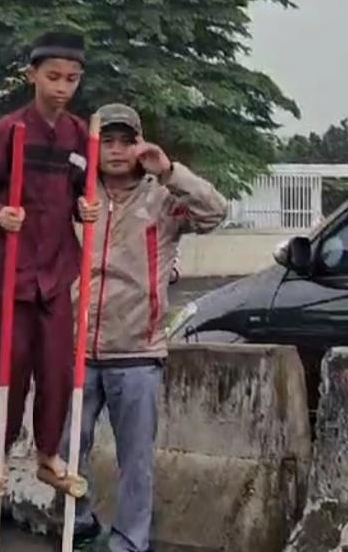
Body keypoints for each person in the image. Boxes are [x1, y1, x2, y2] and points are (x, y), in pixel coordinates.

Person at [66, 104, 227, 551]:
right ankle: (79, 523)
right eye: (108, 141)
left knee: (135, 459)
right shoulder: (78, 198)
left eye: (126, 141)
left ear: (140, 145)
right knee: (64, 448)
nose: (117, 151)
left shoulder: (162, 199)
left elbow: (215, 213)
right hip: (78, 347)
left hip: (136, 351)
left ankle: (129, 542)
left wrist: (170, 170)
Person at [0, 31, 101, 485]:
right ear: (32, 76)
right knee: (11, 363)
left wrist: (86, 208)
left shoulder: (80, 134)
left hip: (57, 267)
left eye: (72, 79)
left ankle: (48, 452)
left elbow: (83, 192)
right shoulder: (8, 130)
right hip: (13, 267)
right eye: (53, 77)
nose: (62, 87)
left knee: (58, 368)